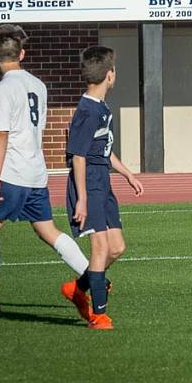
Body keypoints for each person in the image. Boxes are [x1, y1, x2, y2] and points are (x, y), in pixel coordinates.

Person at [0, 24, 90, 315]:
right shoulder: (38, 84)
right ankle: (93, 276)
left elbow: (1, 134)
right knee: (47, 229)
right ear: (22, 53)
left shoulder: (2, 88)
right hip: (37, 172)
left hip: (12, 172)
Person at [61, 46, 144, 330]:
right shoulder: (86, 110)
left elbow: (104, 151)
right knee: (99, 247)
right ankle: (98, 316)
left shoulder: (102, 107)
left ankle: (77, 288)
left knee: (117, 248)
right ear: (110, 75)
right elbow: (79, 156)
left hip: (103, 181)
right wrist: (82, 199)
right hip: (88, 184)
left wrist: (127, 174)